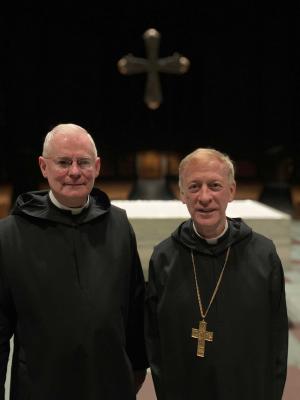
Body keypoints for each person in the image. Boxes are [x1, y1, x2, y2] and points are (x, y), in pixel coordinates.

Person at [0, 123, 148, 400]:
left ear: (98, 166)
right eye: (63, 162)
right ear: (44, 167)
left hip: (110, 385)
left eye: (84, 162)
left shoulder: (117, 224)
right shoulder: (10, 235)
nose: (75, 172)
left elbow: (134, 306)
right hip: (42, 386)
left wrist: (136, 368)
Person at [145, 148, 288, 400]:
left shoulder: (263, 255)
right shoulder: (164, 257)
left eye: (214, 185)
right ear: (181, 194)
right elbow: (155, 343)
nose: (204, 197)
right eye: (194, 186)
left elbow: (276, 340)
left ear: (231, 191)